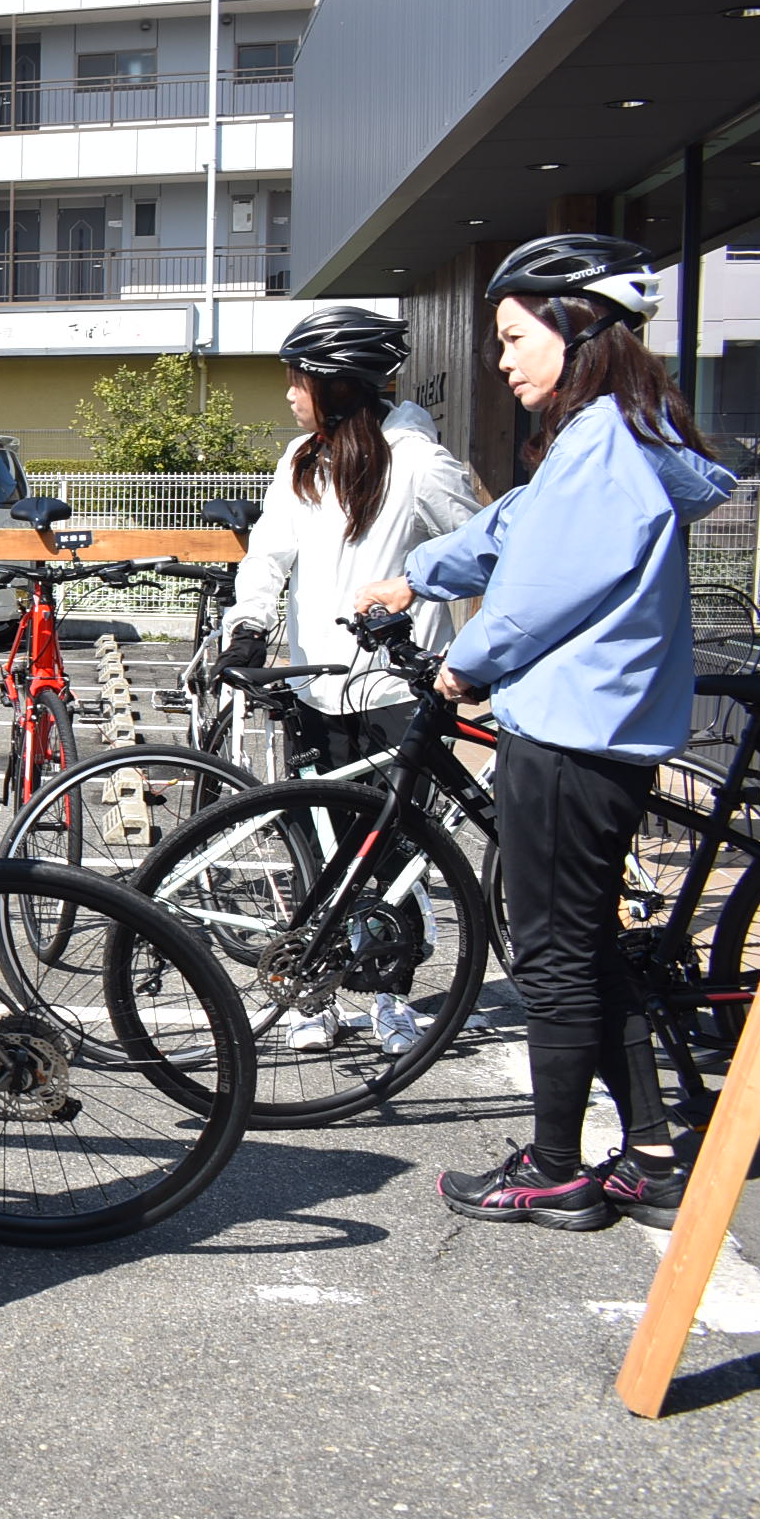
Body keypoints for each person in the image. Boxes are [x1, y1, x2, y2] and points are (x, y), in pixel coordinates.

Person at [355, 234, 738, 1233]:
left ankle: (557, 1166)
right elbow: (512, 528)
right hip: (592, 724)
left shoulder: (603, 445)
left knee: (554, 956)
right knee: (582, 944)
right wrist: (418, 575)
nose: (503, 357)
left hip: (574, 729)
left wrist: (464, 661)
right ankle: (649, 1157)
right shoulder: (605, 437)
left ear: (577, 328)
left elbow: (541, 584)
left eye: (516, 335)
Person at [220, 306, 481, 1062]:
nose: (291, 394)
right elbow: (268, 555)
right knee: (315, 848)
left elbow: (478, 557)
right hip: (314, 687)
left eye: (299, 380)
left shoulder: (421, 463)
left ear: (338, 384)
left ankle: (393, 995)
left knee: (392, 852)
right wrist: (249, 626)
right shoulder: (302, 458)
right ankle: (319, 994)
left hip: (396, 693)